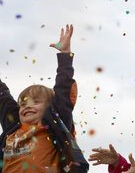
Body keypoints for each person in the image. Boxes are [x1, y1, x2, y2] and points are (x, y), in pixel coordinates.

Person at [0, 24, 89, 173]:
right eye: (22, 104)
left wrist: (65, 54)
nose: (27, 106)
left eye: (36, 102)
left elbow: (62, 90)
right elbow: (2, 97)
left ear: (50, 108)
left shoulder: (53, 123)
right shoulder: (12, 128)